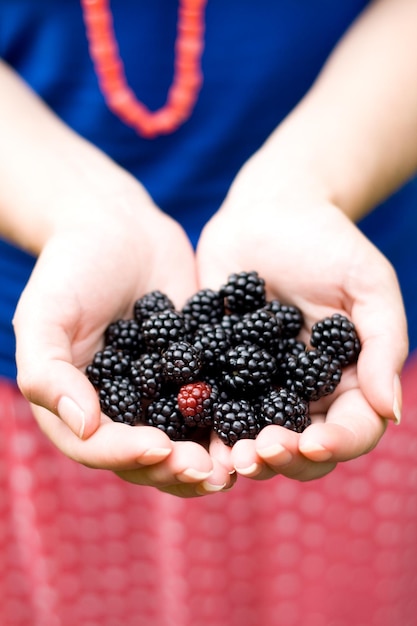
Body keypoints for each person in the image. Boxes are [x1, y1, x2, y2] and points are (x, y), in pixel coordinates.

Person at [0, 0, 416, 624]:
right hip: (46, 334)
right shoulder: (160, 363)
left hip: (354, 265)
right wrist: (73, 209)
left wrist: (313, 182)